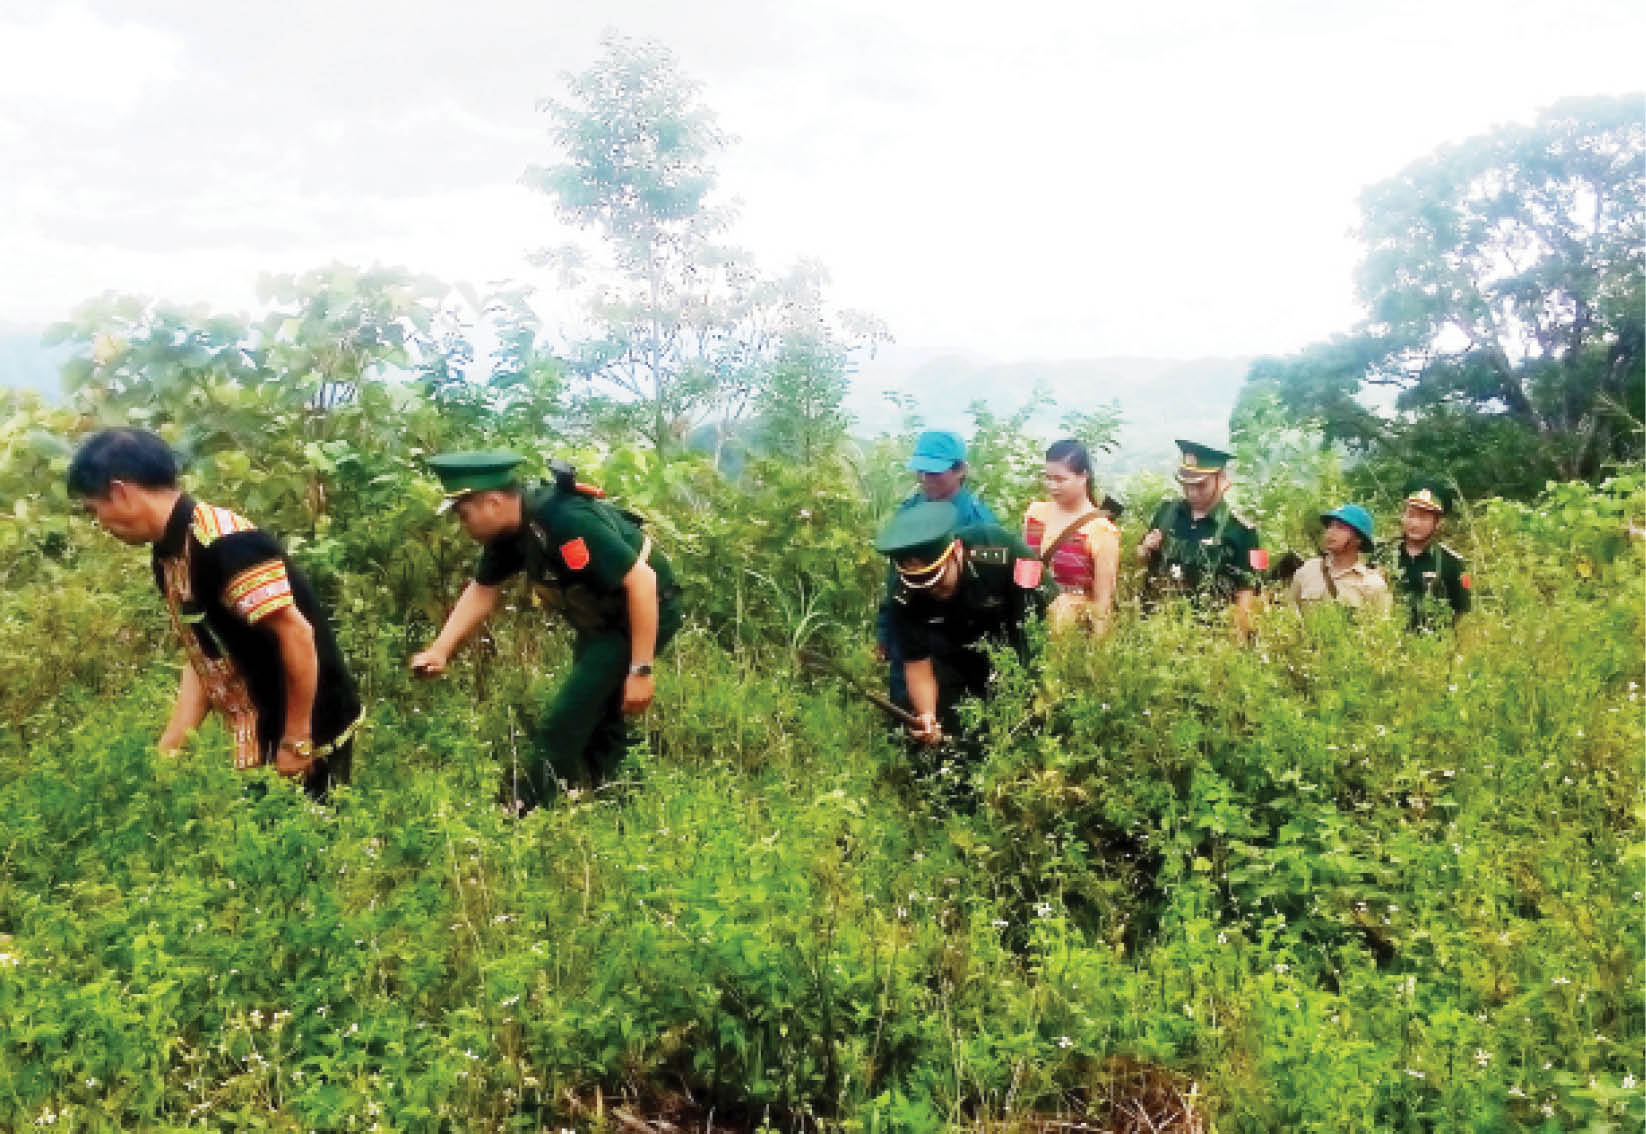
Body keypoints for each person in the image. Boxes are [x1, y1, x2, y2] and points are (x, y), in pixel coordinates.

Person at [67, 428, 361, 799]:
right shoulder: (170, 554)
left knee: (312, 828)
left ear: (120, 492)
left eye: (95, 510)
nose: (101, 524)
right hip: (264, 729)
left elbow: (297, 635)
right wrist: (170, 750)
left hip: (307, 727)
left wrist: (297, 740)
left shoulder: (225, 543)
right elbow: (205, 654)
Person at [410, 452, 682, 810]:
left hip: (642, 613)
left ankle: (528, 808)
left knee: (568, 715)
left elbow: (643, 582)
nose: (463, 525)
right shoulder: (509, 533)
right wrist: (440, 650)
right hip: (601, 619)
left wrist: (641, 669)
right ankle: (619, 795)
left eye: (464, 515)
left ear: (493, 503)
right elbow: (482, 590)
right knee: (600, 708)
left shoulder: (564, 519)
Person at [874, 500, 1050, 748]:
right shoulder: (903, 596)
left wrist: (1049, 677)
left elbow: (1052, 605)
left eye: (938, 581)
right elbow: (917, 664)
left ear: (956, 550)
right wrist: (927, 716)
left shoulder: (1003, 551)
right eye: (922, 587)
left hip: (1015, 657)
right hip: (954, 669)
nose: (932, 591)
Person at [875, 431, 999, 707]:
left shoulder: (979, 523)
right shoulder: (909, 513)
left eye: (934, 472)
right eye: (921, 471)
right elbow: (895, 578)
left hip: (958, 640)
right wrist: (884, 630)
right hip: (909, 630)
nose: (925, 479)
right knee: (908, 703)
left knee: (959, 707)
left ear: (960, 470)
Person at [1138, 440, 1265, 636]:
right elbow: (1140, 559)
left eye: (1201, 486)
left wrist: (1237, 641)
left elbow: (1249, 592)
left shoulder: (1244, 531)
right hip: (1156, 629)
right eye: (1186, 485)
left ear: (1221, 479)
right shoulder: (1166, 512)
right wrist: (1145, 549)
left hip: (1209, 635)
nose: (1192, 493)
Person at [1022, 438, 1121, 633]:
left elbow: (1102, 605)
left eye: (1060, 480)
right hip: (1031, 626)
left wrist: (1097, 647)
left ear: (1083, 477)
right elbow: (1024, 576)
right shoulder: (1035, 514)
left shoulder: (1100, 531)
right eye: (1048, 478)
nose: (1052, 486)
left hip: (1071, 634)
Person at [1385, 477, 1471, 629]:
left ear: (1438, 523)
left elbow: (1461, 613)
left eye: (1423, 518)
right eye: (1411, 515)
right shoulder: (1383, 554)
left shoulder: (1451, 563)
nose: (1415, 523)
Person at [1287, 504, 1392, 613]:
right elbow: (1289, 612)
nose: (1330, 532)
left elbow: (1381, 621)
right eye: (1330, 526)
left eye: (1340, 527)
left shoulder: (1373, 584)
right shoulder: (1309, 570)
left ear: (1358, 539)